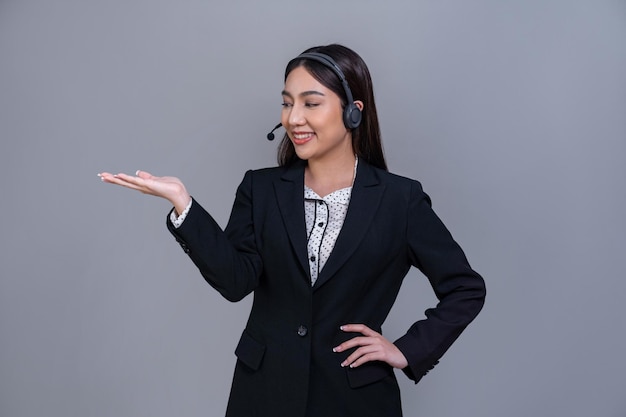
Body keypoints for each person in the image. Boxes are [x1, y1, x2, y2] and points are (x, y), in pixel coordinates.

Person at [99, 44, 486, 417]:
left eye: (310, 103)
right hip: (263, 393)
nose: (293, 118)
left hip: (355, 399)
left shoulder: (400, 200)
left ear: (353, 112)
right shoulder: (260, 189)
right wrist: (183, 203)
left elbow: (465, 288)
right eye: (287, 102)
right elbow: (235, 281)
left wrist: (407, 350)